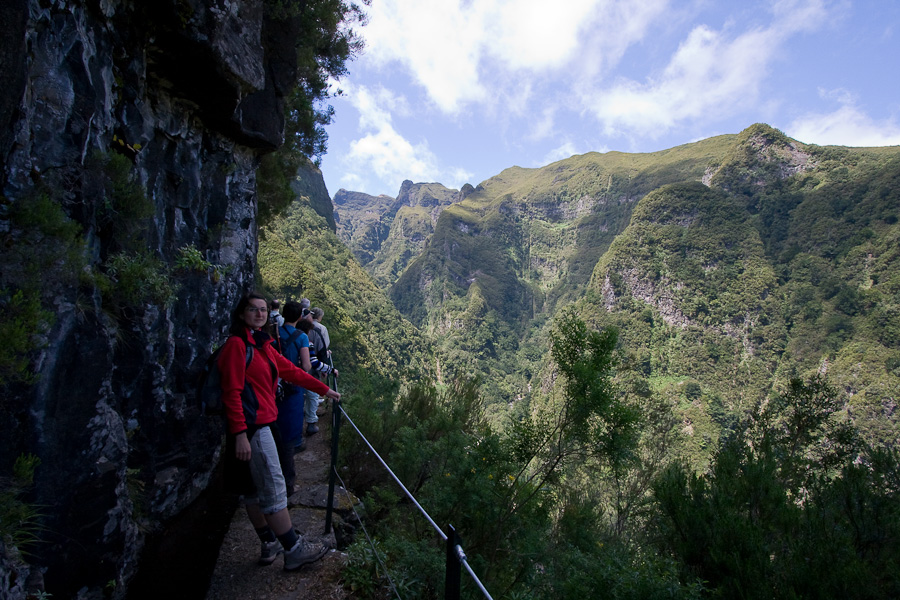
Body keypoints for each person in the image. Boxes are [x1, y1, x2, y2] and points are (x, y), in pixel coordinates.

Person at [219, 292, 340, 571]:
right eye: (253, 309)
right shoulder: (237, 346)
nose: (260, 314)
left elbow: (290, 370)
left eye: (263, 309)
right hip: (253, 429)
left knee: (251, 490)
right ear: (241, 314)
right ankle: (294, 549)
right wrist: (239, 434)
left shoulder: (261, 344)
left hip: (260, 425)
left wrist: (324, 390)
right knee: (273, 488)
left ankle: (268, 542)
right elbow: (232, 393)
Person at [298, 310, 335, 435]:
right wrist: (330, 369)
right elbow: (315, 360)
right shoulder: (308, 340)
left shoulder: (288, 334)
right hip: (307, 373)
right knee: (312, 395)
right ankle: (311, 423)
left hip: (292, 375)